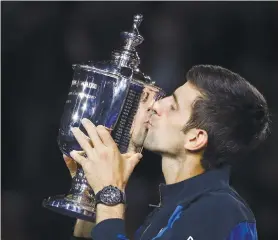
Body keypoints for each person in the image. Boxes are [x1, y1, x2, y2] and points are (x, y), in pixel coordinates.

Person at [67, 65, 270, 239]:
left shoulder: (220, 210)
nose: (156, 105)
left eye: (173, 106)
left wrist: (110, 192)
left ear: (195, 138)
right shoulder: (175, 208)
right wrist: (91, 194)